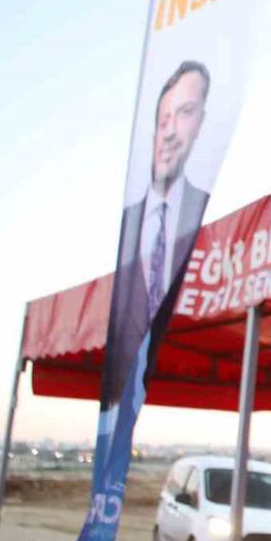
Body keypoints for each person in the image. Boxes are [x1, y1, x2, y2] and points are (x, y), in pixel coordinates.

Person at [103, 60, 212, 405]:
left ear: (201, 123)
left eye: (184, 113)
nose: (169, 131)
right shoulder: (131, 223)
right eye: (163, 118)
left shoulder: (202, 216)